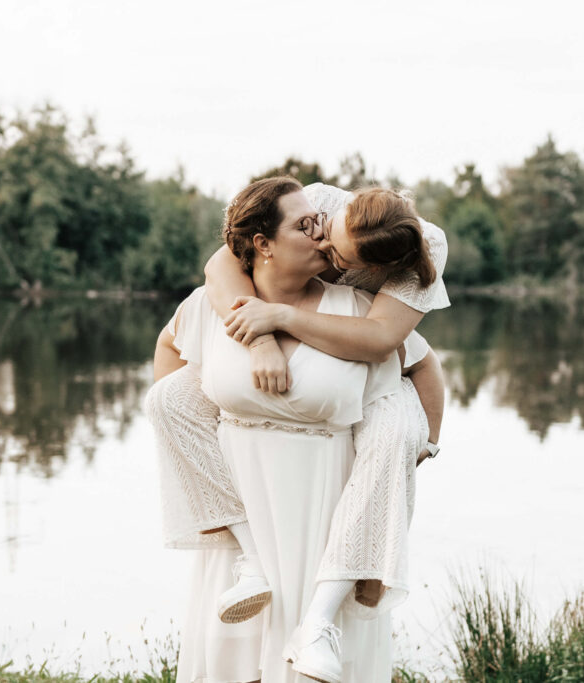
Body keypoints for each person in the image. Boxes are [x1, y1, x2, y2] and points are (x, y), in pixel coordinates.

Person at [149, 177, 421, 681]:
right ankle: (247, 562)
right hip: (246, 502)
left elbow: (422, 368)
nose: (322, 236)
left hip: (324, 495)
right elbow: (169, 352)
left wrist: (423, 445)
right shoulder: (212, 306)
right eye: (304, 226)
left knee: (317, 658)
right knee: (239, 658)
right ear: (262, 245)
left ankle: (318, 625)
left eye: (320, 223)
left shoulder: (357, 313)